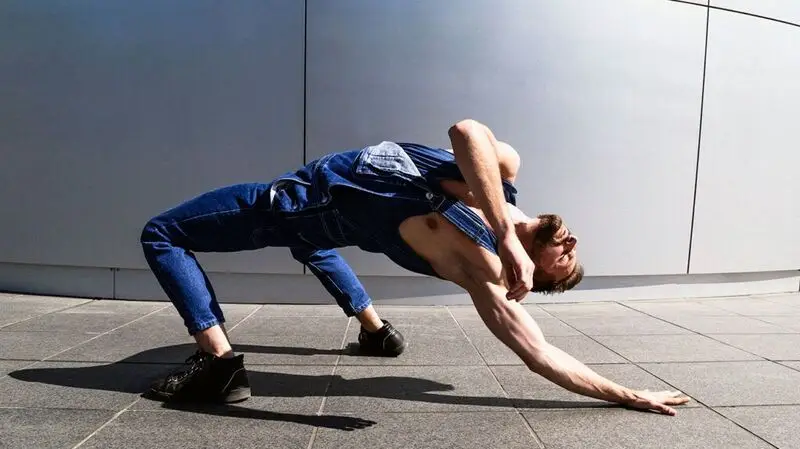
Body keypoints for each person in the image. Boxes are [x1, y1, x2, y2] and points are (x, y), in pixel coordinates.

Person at [139, 118, 690, 415]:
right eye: (572, 248)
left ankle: (220, 363)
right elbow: (468, 131)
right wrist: (506, 230)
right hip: (334, 225)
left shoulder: (481, 272)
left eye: (565, 262)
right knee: (317, 250)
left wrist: (628, 394)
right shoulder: (501, 184)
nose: (570, 244)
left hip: (296, 204)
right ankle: (376, 331)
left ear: (534, 277)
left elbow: (540, 354)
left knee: (162, 234)